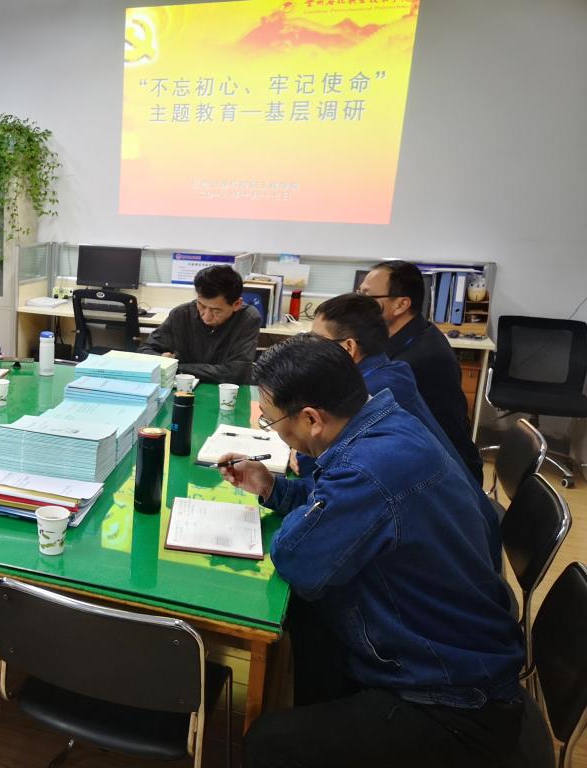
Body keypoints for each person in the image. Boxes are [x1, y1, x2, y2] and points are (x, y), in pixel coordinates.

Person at [218, 335, 523, 768]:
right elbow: (336, 503)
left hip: (452, 703)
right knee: (305, 624)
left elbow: (297, 558)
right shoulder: (384, 424)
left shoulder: (367, 470)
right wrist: (272, 487)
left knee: (267, 743)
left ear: (311, 419)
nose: (274, 431)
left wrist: (302, 519)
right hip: (458, 653)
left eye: (272, 421)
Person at [306, 293, 500, 566]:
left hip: (462, 555)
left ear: (348, 347)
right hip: (462, 532)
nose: (310, 350)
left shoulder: (371, 392)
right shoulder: (386, 370)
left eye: (316, 341)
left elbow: (316, 461)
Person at [358, 260, 483, 484]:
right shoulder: (414, 333)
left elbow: (362, 417)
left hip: (446, 476)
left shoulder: (415, 359)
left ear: (401, 304)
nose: (358, 304)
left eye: (367, 297)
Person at [138, 264, 260, 384]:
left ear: (237, 304)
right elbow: (145, 350)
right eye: (201, 305)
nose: (206, 316)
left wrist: (175, 366)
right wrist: (161, 357)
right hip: (183, 386)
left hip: (225, 390)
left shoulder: (247, 318)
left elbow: (236, 373)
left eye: (216, 310)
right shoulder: (181, 314)